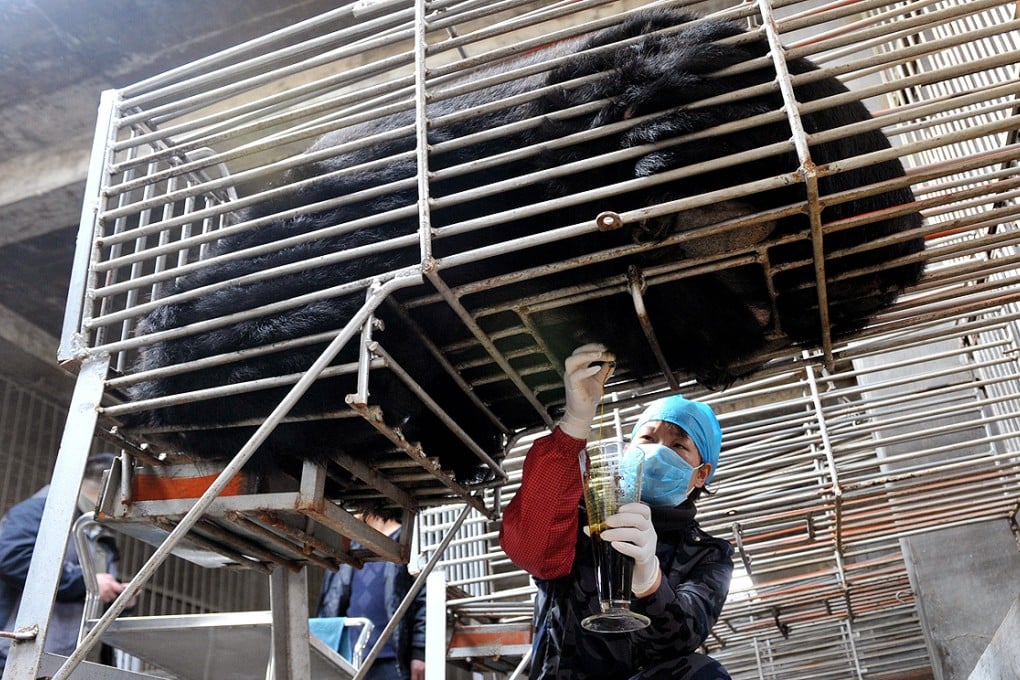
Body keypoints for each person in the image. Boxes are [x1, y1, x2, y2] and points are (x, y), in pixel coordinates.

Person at [500, 344, 734, 679]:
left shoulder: (708, 554)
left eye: (678, 445)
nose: (658, 452)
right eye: (648, 438)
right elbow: (531, 547)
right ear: (628, 452)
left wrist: (650, 582)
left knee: (704, 673)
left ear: (701, 474)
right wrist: (575, 424)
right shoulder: (585, 517)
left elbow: (682, 638)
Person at [0, 452, 129, 672]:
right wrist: (86, 582)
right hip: (15, 657)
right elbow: (11, 558)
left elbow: (91, 597)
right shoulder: (41, 513)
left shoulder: (100, 534)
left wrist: (119, 598)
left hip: (66, 664)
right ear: (112, 489)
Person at [315, 505, 426, 680]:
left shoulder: (408, 542)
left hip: (393, 659)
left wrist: (420, 651)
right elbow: (330, 602)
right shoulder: (349, 548)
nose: (346, 511)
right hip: (351, 659)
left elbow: (424, 599)